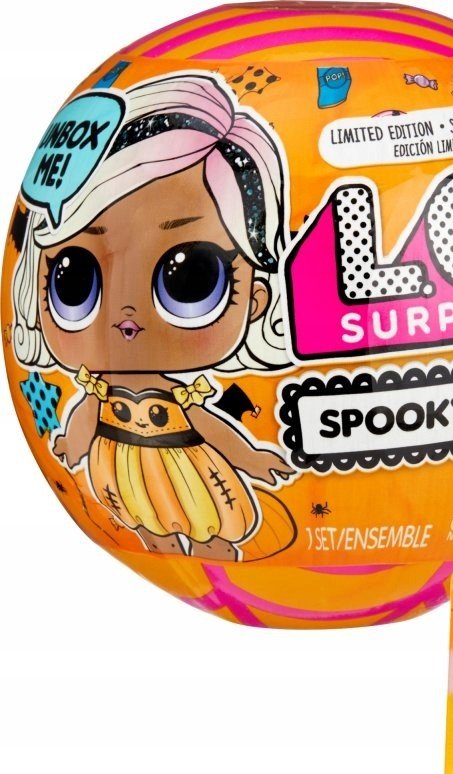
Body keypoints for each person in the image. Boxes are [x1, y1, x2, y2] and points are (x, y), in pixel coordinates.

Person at [12, 72, 294, 560]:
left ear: (255, 300)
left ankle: (219, 557)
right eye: (74, 278)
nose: (126, 315)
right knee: (150, 526)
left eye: (191, 280)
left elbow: (208, 426)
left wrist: (248, 456)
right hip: (119, 470)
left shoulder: (178, 396)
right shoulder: (99, 389)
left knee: (210, 528)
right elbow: (84, 416)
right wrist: (74, 445)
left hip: (187, 467)